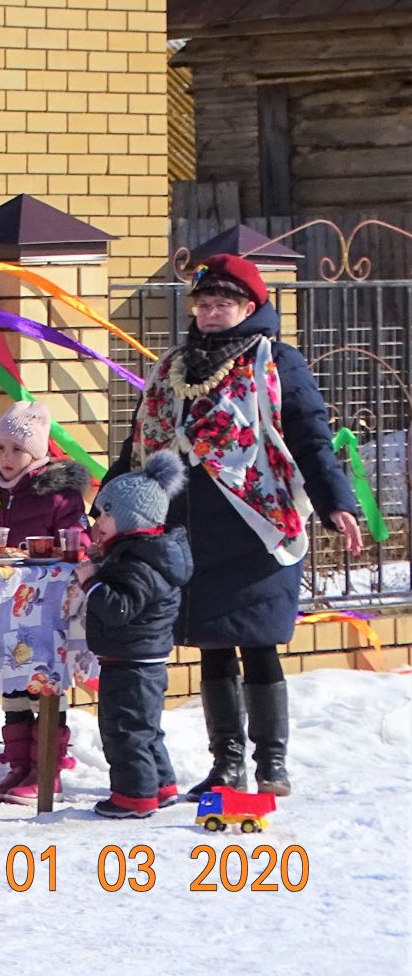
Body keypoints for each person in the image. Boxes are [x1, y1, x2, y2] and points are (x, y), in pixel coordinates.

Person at [110, 253, 362, 800]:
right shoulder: (174, 364)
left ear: (250, 306)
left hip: (256, 525)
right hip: (189, 528)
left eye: (223, 302)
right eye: (203, 303)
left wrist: (335, 501)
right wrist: (107, 506)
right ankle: (226, 764)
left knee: (260, 643)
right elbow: (140, 442)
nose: (211, 312)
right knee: (213, 645)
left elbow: (310, 435)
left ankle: (272, 762)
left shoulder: (277, 360)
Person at [0, 399, 91, 803]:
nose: (6, 457)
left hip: (46, 606)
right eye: (0, 448)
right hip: (3, 607)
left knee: (45, 684)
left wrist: (60, 548)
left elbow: (80, 539)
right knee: (13, 683)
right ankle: (19, 764)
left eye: (17, 449)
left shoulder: (57, 494)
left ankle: (47, 770)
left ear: (36, 452)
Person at [77, 452, 194, 818]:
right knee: (147, 727)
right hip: (142, 656)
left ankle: (134, 796)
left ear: (130, 519)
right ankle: (161, 785)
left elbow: (119, 609)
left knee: (124, 729)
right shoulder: (144, 554)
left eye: (105, 514)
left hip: (132, 659)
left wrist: (91, 583)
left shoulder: (138, 563)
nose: (97, 522)